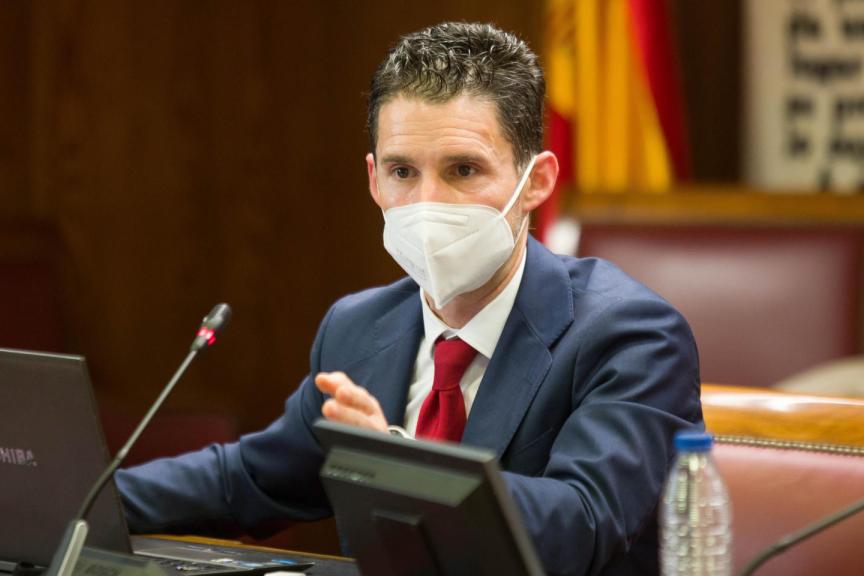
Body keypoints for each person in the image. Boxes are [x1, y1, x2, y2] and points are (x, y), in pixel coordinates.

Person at [116, 22, 701, 576]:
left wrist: (393, 464)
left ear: (537, 181)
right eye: (402, 171)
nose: (428, 203)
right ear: (373, 180)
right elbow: (246, 480)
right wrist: (77, 497)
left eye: (463, 169)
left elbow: (579, 525)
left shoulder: (631, 336)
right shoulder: (359, 327)